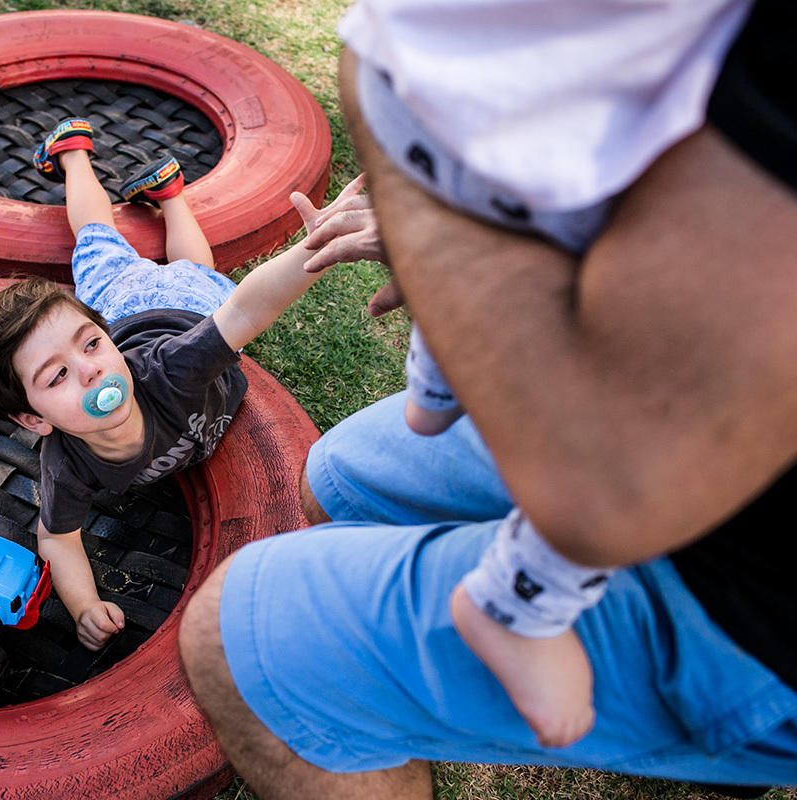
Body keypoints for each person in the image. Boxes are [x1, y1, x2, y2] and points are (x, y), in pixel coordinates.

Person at [179, 0, 797, 796]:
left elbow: (601, 491)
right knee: (337, 481)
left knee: (247, 643)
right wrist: (441, 221)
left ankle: (517, 608)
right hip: (524, 189)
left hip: (745, 578)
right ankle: (445, 410)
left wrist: (434, 209)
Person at [0, 118, 360, 651]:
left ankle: (72, 153)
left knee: (106, 243)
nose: (90, 369)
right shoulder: (67, 463)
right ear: (34, 419)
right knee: (191, 263)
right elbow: (57, 537)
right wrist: (84, 605)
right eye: (56, 376)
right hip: (150, 308)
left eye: (90, 344)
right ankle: (168, 195)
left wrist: (315, 249)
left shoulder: (169, 371)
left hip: (151, 305)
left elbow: (246, 309)